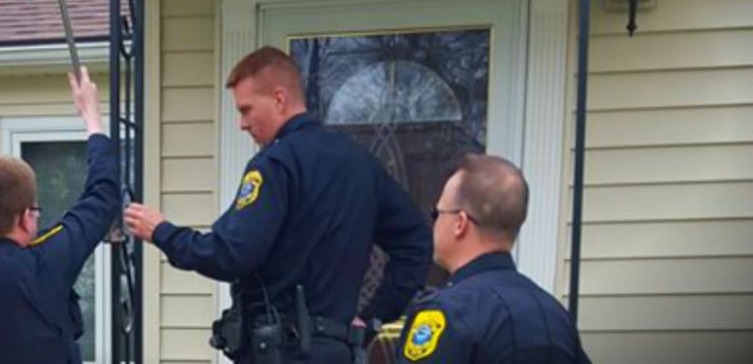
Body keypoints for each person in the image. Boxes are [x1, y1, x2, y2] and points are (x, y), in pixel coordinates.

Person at [125, 46, 433, 363]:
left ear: (279, 99)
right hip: (338, 350)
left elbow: (231, 254)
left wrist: (162, 232)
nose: (242, 124)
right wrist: (373, 318)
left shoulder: (275, 164)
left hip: (282, 350)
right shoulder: (359, 163)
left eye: (246, 110)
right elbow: (416, 243)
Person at [0, 67, 119, 364]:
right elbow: (102, 196)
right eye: (35, 211)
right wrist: (93, 119)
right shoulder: (42, 264)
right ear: (24, 217)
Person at [395, 154, 590, 363]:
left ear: (460, 223)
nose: (434, 224)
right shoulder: (553, 314)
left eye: (437, 213)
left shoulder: (447, 313)